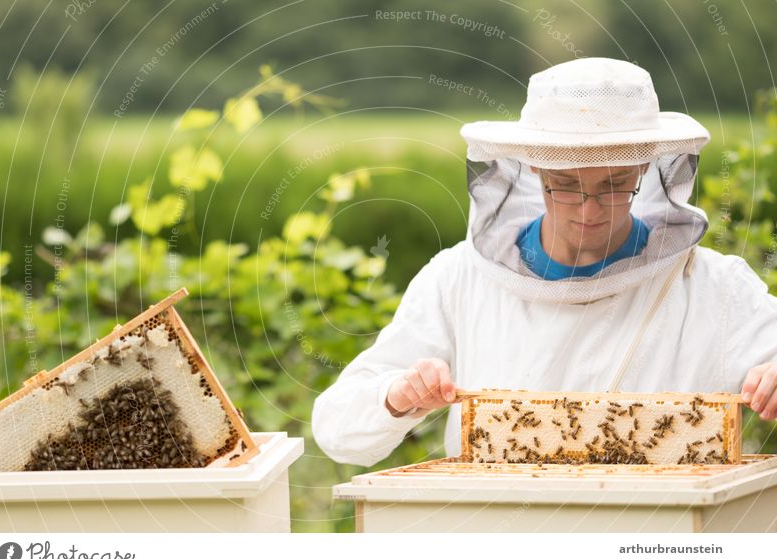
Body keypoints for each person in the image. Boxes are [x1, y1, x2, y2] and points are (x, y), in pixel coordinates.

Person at [311, 57, 777, 467]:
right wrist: (397, 397)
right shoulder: (457, 279)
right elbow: (337, 430)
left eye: (614, 185)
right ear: (534, 168)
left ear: (643, 169)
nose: (590, 209)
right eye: (566, 184)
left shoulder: (716, 287)